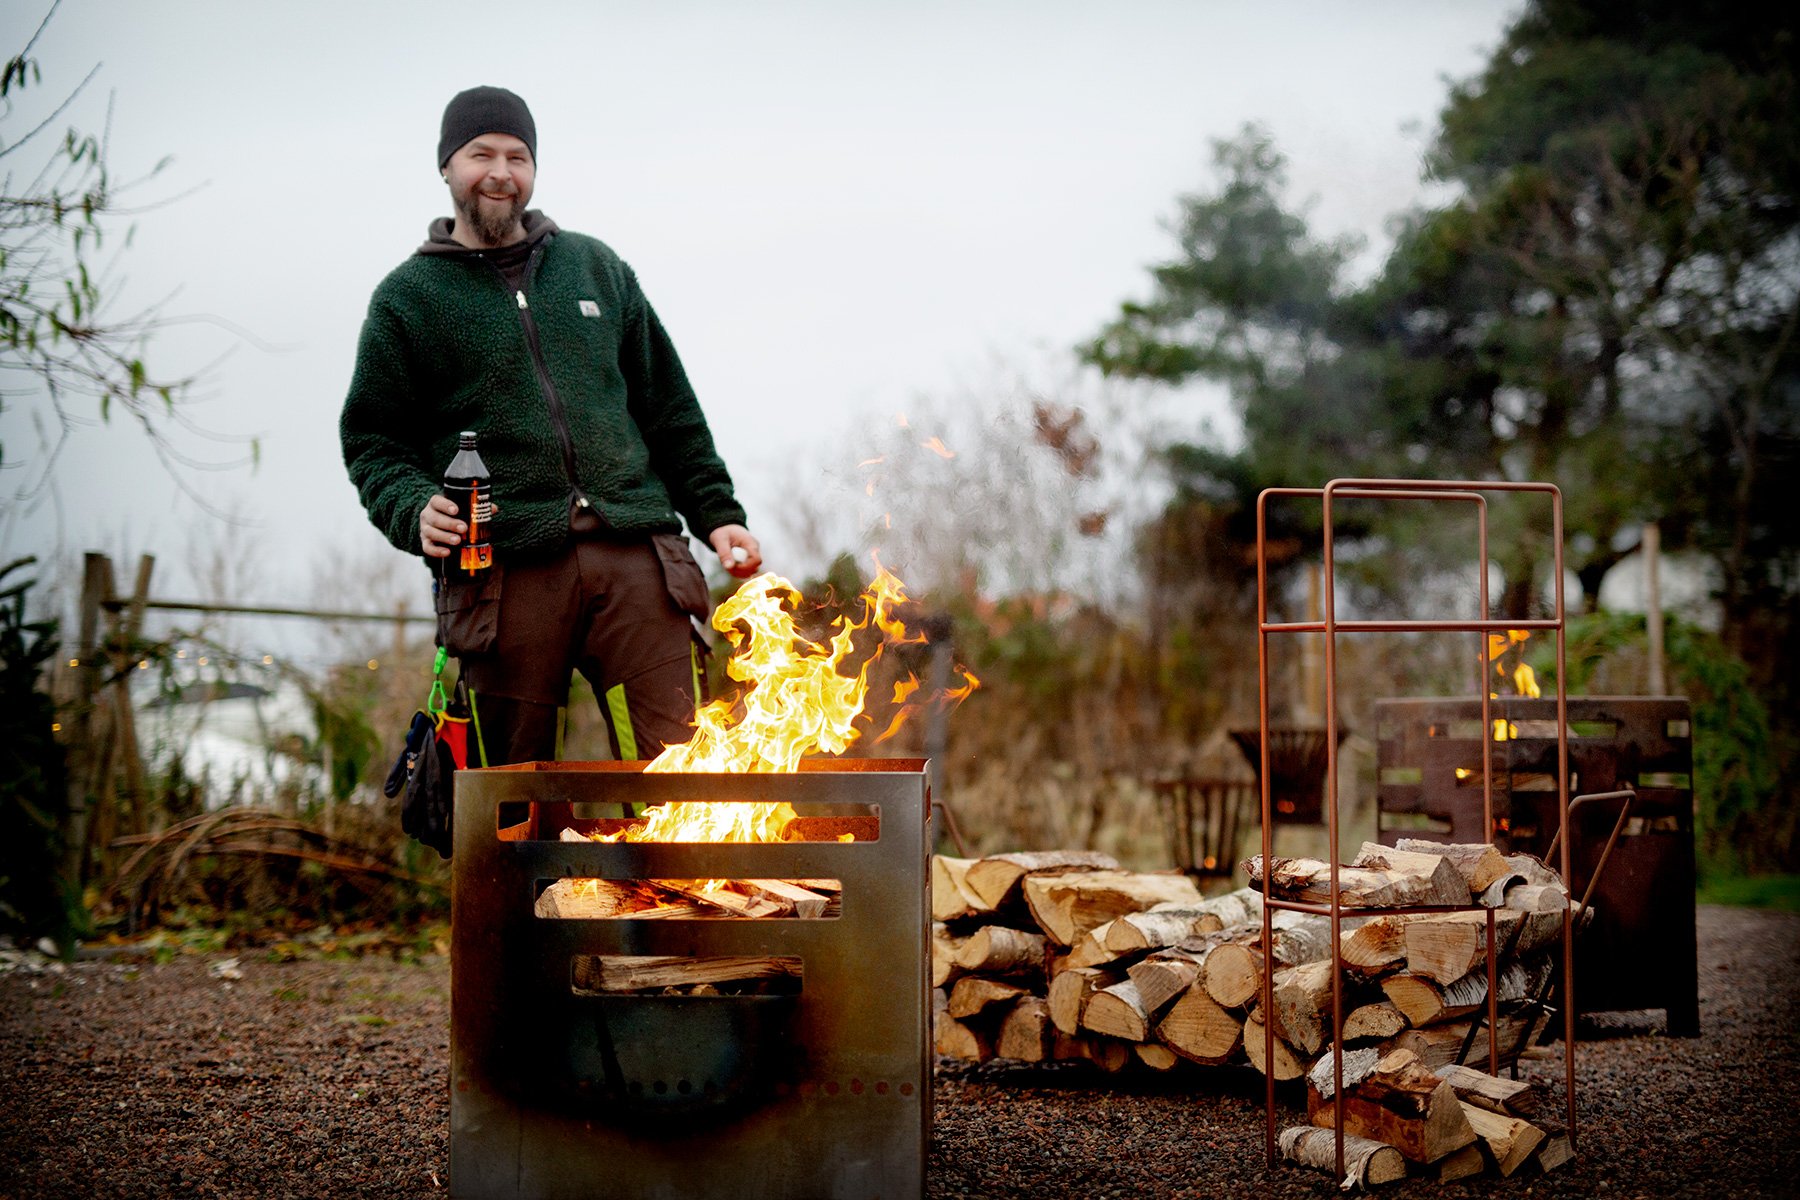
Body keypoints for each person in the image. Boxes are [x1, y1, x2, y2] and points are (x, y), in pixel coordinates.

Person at [340, 85, 761, 766]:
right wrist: (412, 508)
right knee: (506, 804)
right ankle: (528, 877)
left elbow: (668, 407)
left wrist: (718, 514)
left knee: (682, 774)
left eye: (518, 155)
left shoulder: (596, 268)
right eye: (482, 154)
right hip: (502, 572)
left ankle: (669, 879)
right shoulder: (406, 300)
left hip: (636, 556)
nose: (501, 171)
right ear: (447, 166)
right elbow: (372, 442)